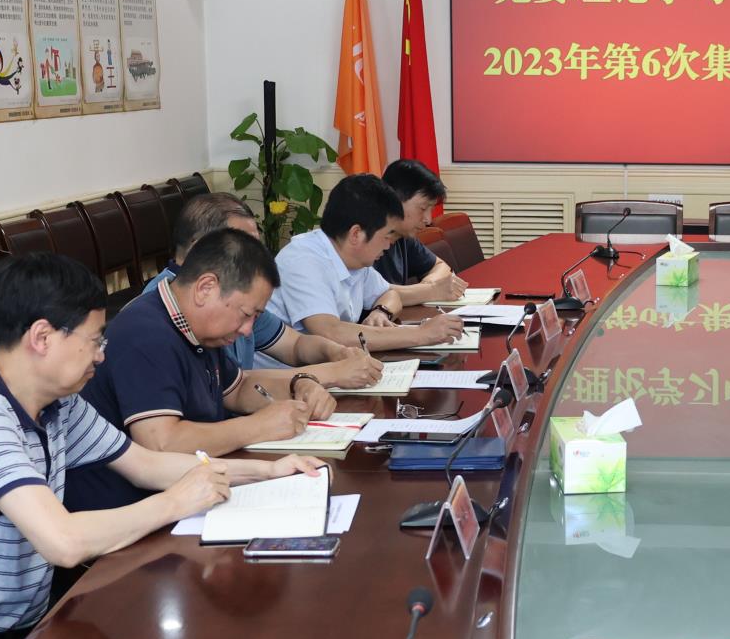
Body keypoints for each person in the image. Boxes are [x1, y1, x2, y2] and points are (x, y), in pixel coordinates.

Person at [0, 253, 322, 639]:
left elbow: (145, 465)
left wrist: (267, 472)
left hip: (25, 636)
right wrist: (175, 503)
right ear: (42, 338)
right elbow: (63, 542)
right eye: (94, 341)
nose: (101, 355)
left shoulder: (54, 402)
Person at [66, 229, 342, 511]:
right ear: (205, 288)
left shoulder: (197, 328)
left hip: (186, 492)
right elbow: (161, 444)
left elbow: (236, 389)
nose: (248, 330)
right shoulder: (145, 334)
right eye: (247, 315)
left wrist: (299, 384)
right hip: (125, 511)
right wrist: (258, 426)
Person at [144, 190, 380, 385]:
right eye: (242, 245)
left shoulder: (237, 293)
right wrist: (330, 374)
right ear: (200, 248)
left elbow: (294, 345)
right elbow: (233, 387)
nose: (255, 256)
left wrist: (335, 352)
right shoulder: (171, 304)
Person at [269, 173, 465, 353]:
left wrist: (381, 312)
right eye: (386, 236)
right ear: (356, 234)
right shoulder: (304, 259)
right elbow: (330, 333)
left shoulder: (353, 260)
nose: (388, 245)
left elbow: (389, 293)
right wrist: (422, 334)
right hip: (289, 377)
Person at [376, 159, 468, 305]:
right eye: (423, 208)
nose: (428, 219)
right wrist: (431, 291)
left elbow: (441, 267)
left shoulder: (403, 236)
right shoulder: (366, 237)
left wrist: (428, 288)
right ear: (394, 201)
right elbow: (373, 293)